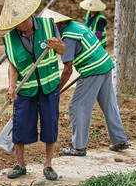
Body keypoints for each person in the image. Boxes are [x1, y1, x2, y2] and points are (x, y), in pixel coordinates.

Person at [41, 9, 128, 156]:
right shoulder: (76, 25)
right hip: (105, 64)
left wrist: (56, 90)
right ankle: (120, 141)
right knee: (109, 105)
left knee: (77, 105)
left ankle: (79, 147)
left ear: (56, 25)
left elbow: (67, 69)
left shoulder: (68, 36)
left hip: (92, 70)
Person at [0, 0, 65, 180]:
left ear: (30, 15)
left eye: (23, 21)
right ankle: (20, 164)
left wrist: (58, 45)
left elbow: (63, 50)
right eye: (17, 24)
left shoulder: (48, 25)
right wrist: (11, 86)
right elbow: (13, 64)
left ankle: (48, 165)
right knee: (20, 126)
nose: (21, 26)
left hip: (49, 86)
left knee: (50, 124)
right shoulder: (10, 39)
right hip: (26, 89)